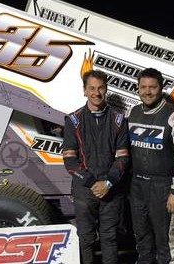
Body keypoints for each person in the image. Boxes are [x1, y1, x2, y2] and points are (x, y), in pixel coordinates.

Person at [127, 68, 174, 264]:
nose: (147, 92)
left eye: (153, 87)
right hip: (137, 184)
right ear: (138, 89)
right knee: (141, 235)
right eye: (143, 87)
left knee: (165, 237)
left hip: (164, 185)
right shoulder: (132, 112)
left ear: (161, 88)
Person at [62, 70, 130, 264]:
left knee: (110, 237)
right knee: (86, 238)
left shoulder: (118, 120)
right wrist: (93, 183)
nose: (96, 93)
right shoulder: (73, 121)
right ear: (84, 91)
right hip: (85, 190)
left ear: (106, 89)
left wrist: (108, 183)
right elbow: (69, 161)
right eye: (92, 88)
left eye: (100, 88)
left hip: (111, 189)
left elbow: (123, 158)